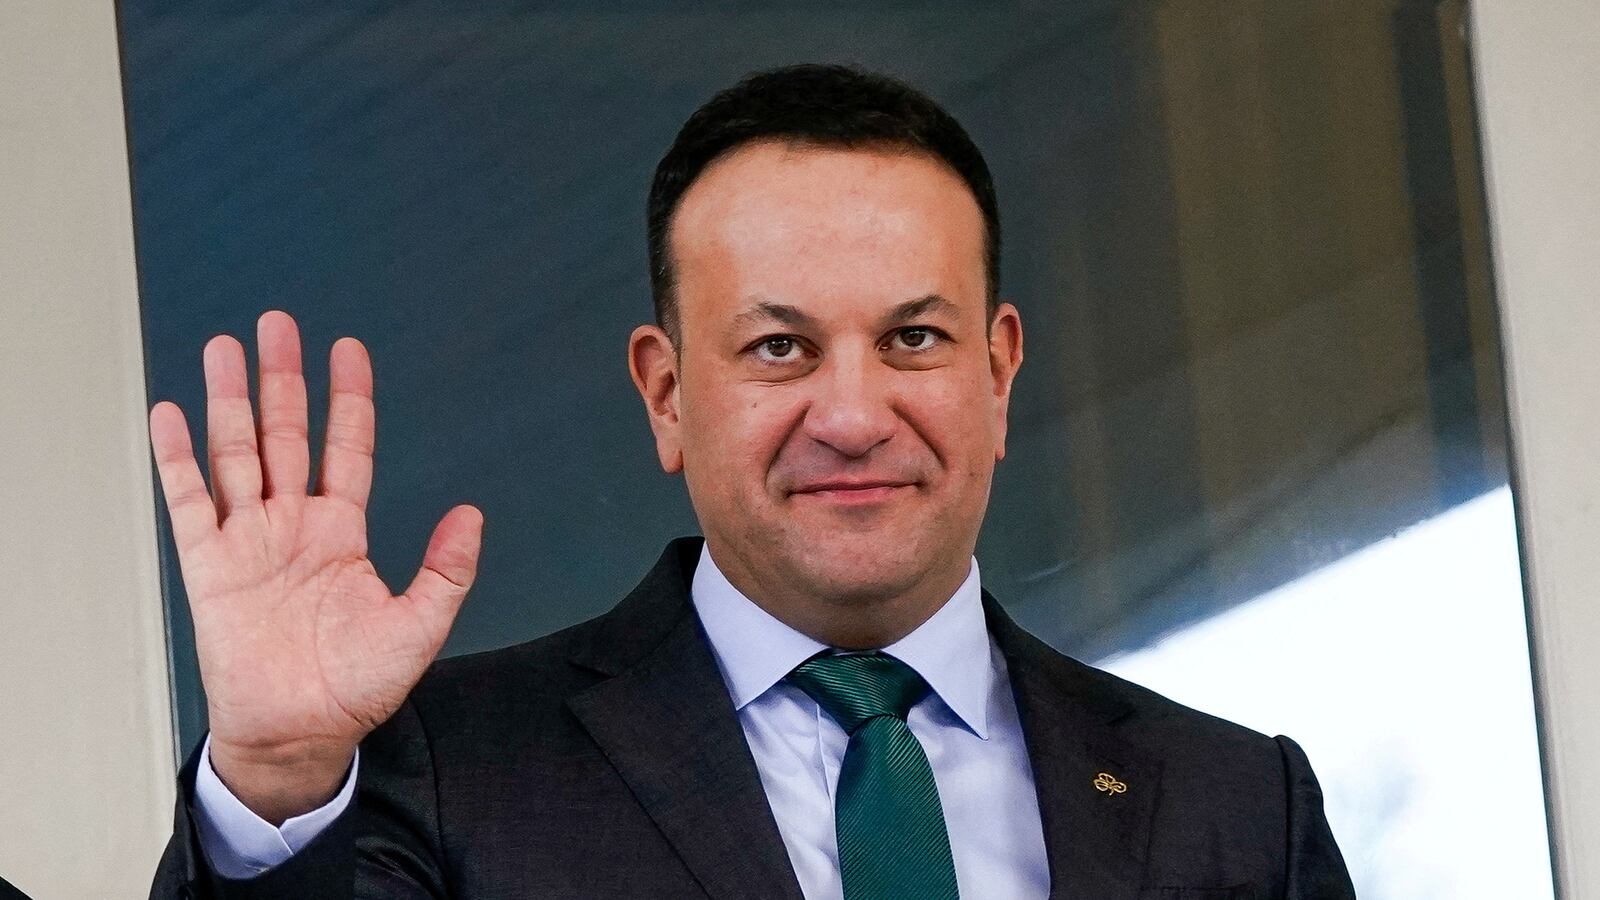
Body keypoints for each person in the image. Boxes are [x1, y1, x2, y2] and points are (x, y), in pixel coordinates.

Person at [147, 64, 1355, 899]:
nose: (848, 415)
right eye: (778, 347)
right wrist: (278, 781)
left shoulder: (1237, 805)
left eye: (913, 340)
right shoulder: (445, 771)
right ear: (665, 393)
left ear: (998, 371)